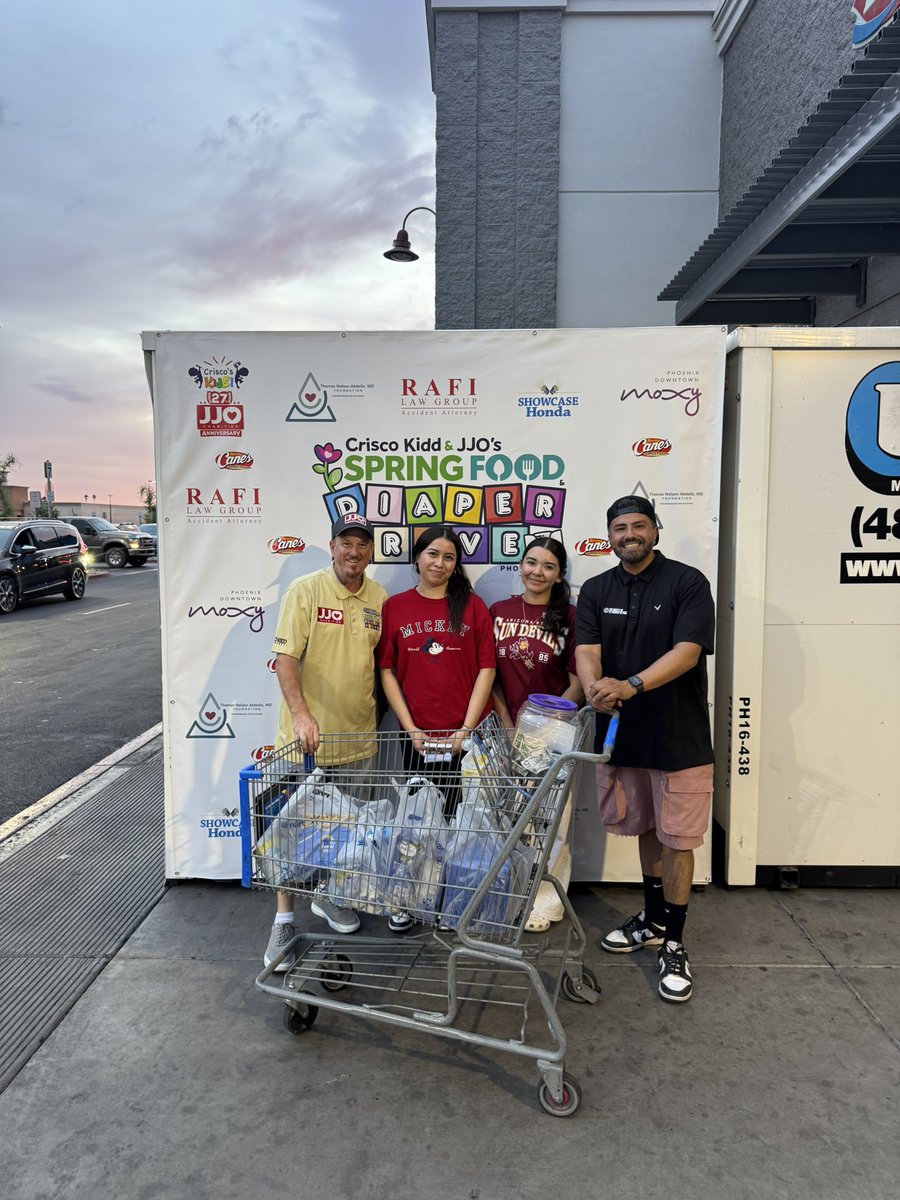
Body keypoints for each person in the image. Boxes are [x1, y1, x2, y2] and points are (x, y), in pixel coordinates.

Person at [575, 496, 715, 1003]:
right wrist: (594, 689)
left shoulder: (687, 582)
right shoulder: (595, 588)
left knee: (679, 840)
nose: (628, 534)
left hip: (680, 738)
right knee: (647, 829)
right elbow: (587, 650)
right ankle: (653, 920)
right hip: (624, 737)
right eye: (619, 527)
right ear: (609, 535)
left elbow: (687, 652)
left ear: (655, 530)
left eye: (638, 525)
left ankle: (673, 943)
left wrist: (630, 684)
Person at [263, 513, 387, 972]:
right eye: (346, 542)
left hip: (359, 740)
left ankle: (330, 897)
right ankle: (283, 918)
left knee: (344, 835)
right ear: (331, 546)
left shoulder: (379, 597)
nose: (354, 552)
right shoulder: (306, 591)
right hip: (305, 744)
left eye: (362, 544)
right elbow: (284, 658)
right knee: (289, 835)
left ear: (371, 551)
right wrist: (301, 715)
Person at [377, 524, 496, 931]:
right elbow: (387, 670)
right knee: (416, 824)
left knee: (459, 823)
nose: (439, 563)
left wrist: (465, 729)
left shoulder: (473, 606)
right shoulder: (395, 607)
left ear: (456, 563)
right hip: (419, 736)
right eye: (432, 554)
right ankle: (409, 897)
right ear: (418, 557)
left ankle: (450, 901)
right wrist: (410, 728)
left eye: (448, 557)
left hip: (466, 739)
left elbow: (487, 668)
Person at [489, 536, 583, 932]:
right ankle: (505, 892)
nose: (537, 572)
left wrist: (542, 728)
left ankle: (547, 901)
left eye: (548, 566)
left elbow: (578, 681)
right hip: (504, 730)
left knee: (551, 820)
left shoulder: (573, 616)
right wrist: (512, 727)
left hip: (554, 734)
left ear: (559, 575)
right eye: (531, 562)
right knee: (504, 818)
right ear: (520, 565)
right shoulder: (498, 611)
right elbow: (488, 677)